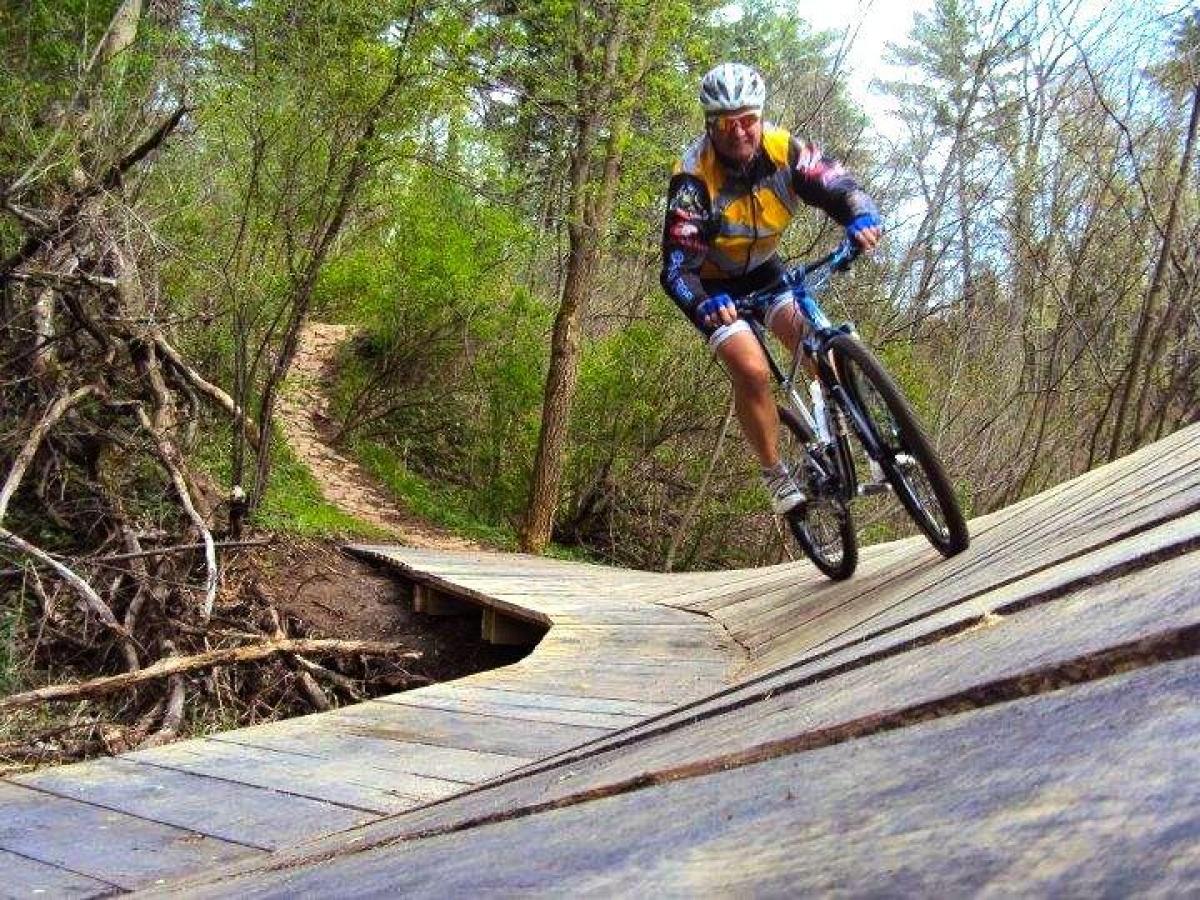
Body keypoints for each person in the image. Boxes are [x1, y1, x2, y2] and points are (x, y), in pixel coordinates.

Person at [660, 62, 882, 516]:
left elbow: (839, 185)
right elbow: (676, 268)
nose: (740, 132)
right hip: (713, 287)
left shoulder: (784, 149)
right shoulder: (693, 178)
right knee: (753, 370)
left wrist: (860, 217)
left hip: (765, 270)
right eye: (727, 123)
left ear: (760, 116)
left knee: (822, 348)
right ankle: (775, 473)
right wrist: (702, 304)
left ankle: (872, 441)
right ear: (710, 125)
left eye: (748, 120)